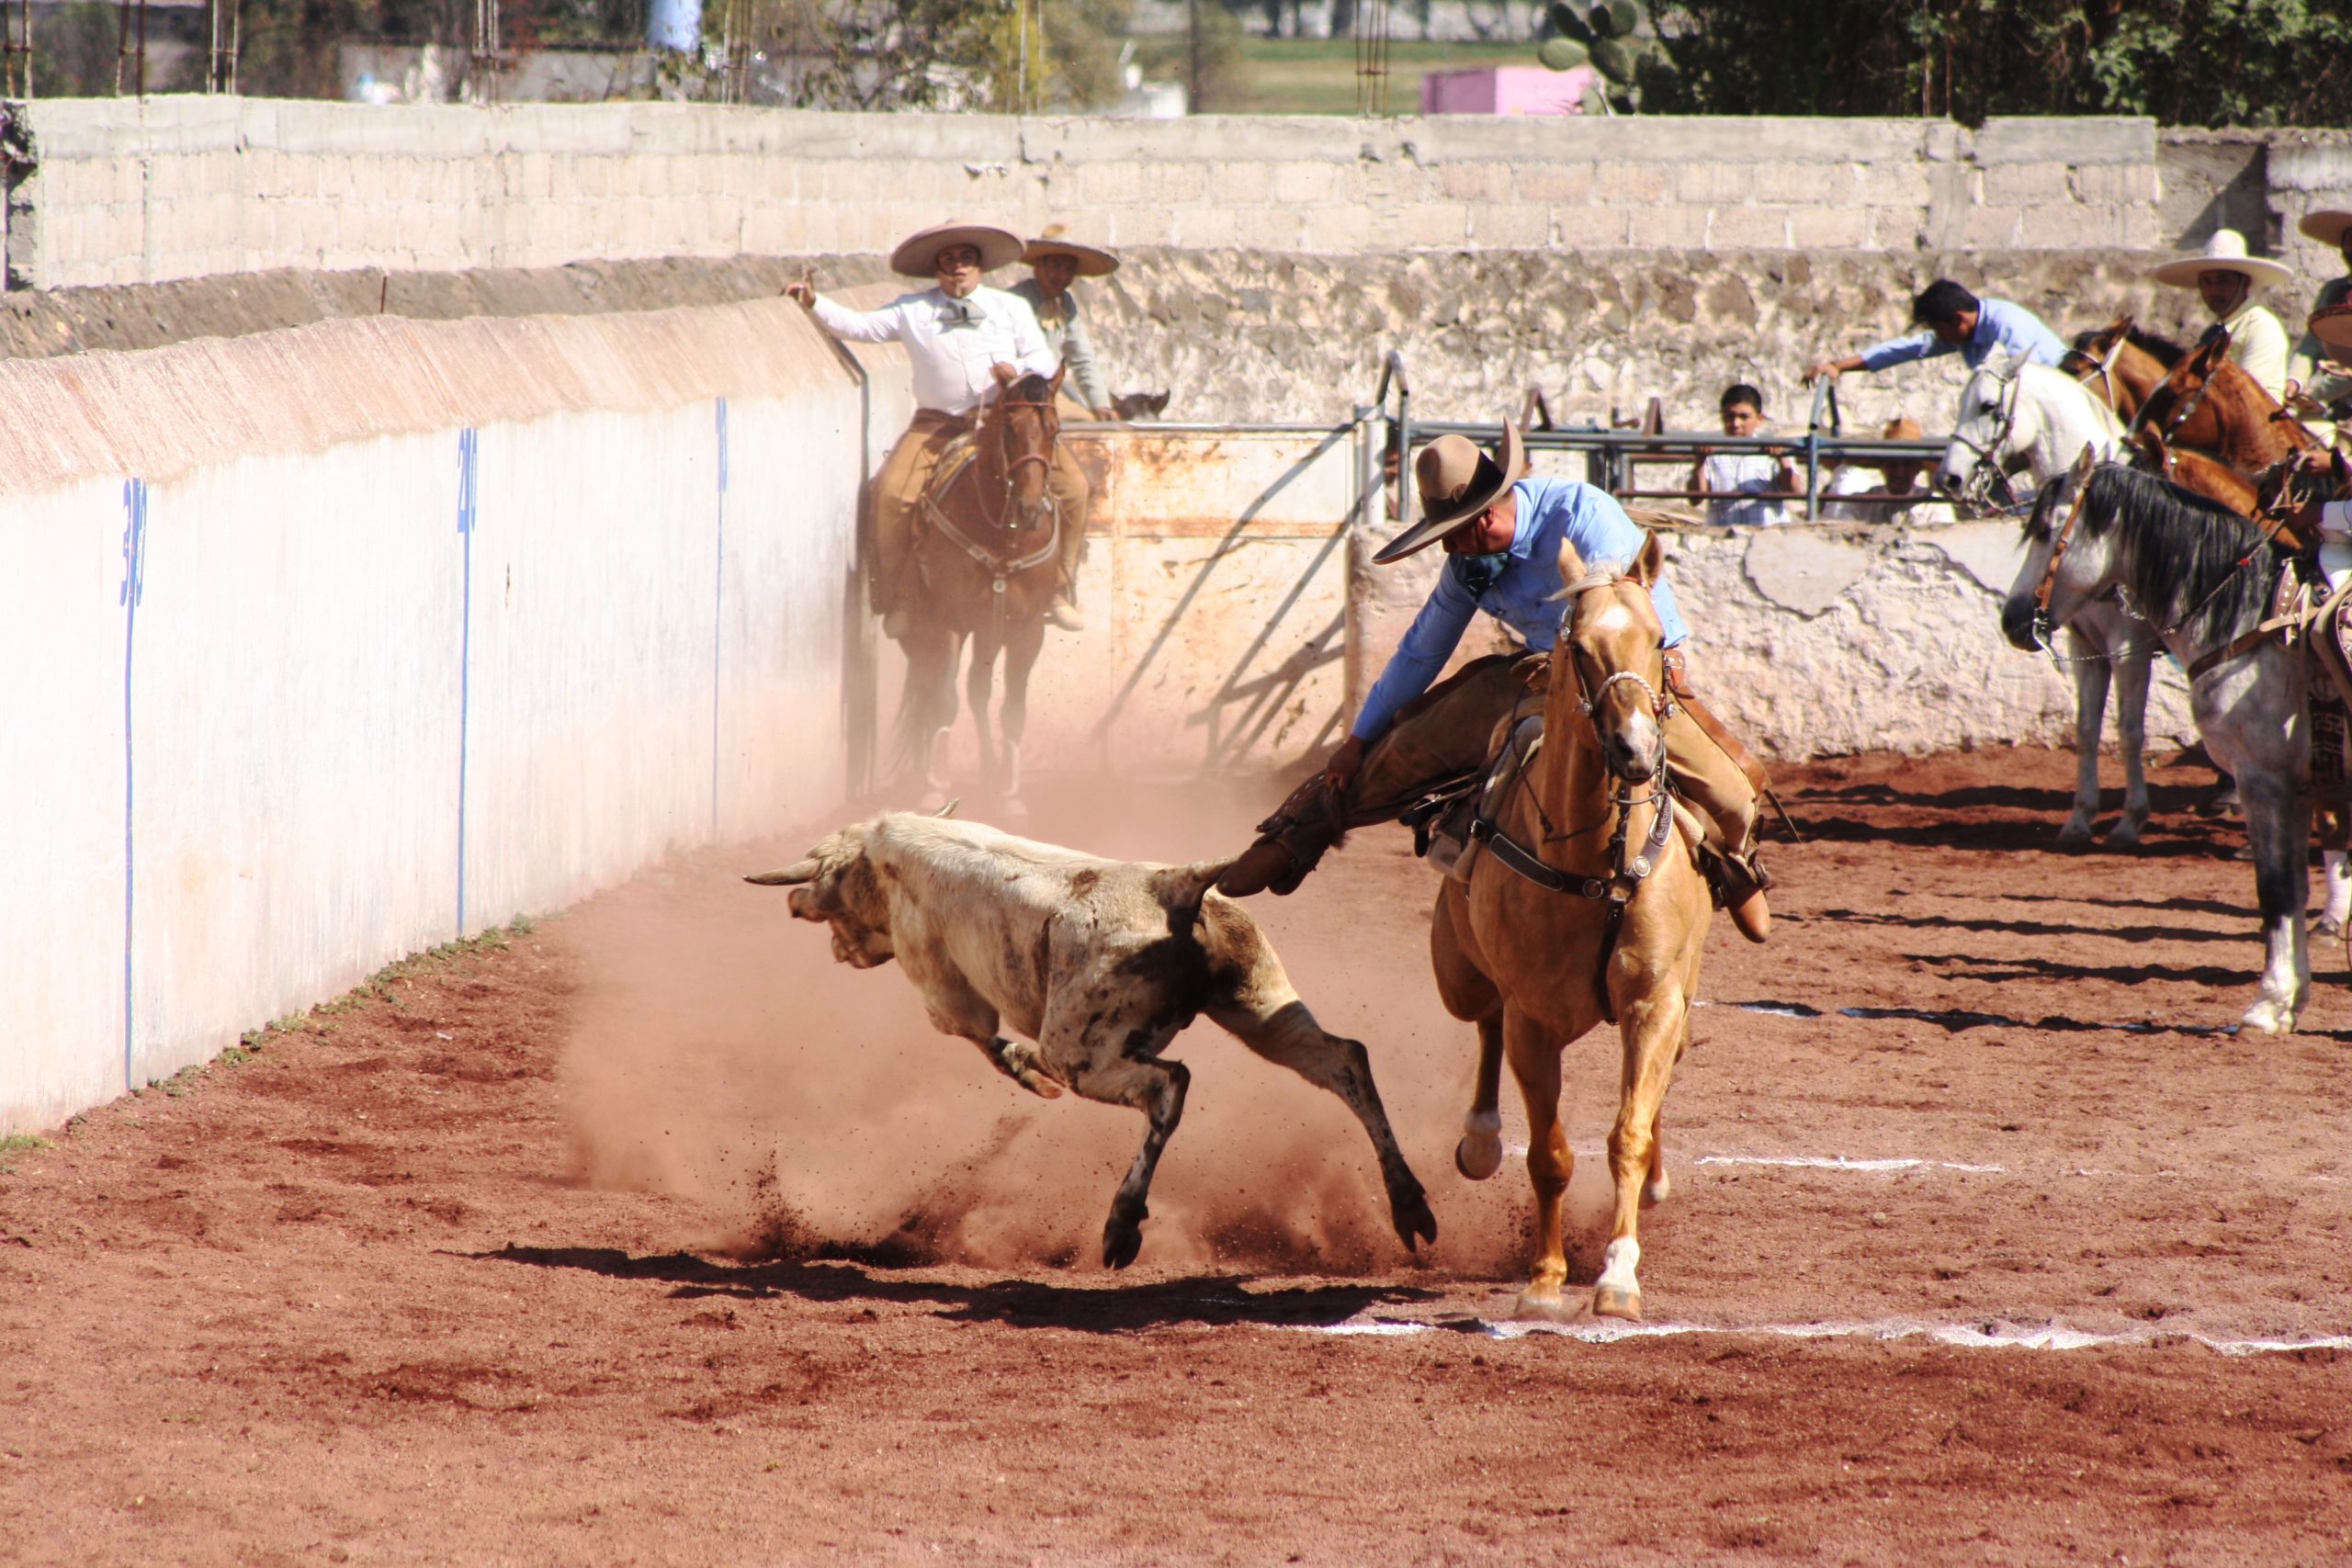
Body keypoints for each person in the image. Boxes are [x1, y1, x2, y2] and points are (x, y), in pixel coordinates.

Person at [1216, 420, 1774, 942]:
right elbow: (1420, 652)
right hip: (1542, 674)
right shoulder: (1469, 566)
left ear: (1480, 520)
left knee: (1731, 784)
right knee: (1410, 743)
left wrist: (1608, 665)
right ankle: (1298, 834)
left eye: (1448, 534)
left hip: (1624, 675)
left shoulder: (1581, 512)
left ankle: (1733, 862)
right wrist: (1357, 741)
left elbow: (1612, 606)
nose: (1444, 548)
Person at [786, 220, 1092, 637]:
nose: (958, 268)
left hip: (1006, 426)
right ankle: (900, 598)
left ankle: (1060, 587)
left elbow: (1040, 358)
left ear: (979, 266)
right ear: (937, 269)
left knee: (1075, 489)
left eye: (966, 259)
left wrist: (1014, 370)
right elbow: (859, 327)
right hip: (938, 426)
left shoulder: (1010, 307)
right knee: (892, 495)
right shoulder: (912, 310)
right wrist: (813, 302)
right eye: (948, 261)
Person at [1804, 279, 2066, 386]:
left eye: (1937, 329)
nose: (1937, 337)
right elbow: (1909, 348)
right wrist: (1838, 366)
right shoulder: (1965, 331)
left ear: (1957, 320)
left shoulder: (2007, 326)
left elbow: (2027, 386)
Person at [2149, 228, 2291, 402]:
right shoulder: (2212, 334)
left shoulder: (2261, 327)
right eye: (2207, 282)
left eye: (2224, 281)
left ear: (2244, 282)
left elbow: (2245, 398)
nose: (2214, 290)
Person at [1010, 230, 1119, 423]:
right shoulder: (1015, 300)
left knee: (1092, 426)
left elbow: (1082, 357)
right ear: (1038, 266)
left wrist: (1100, 404)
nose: (1062, 276)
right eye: (1056, 266)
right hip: (1014, 391)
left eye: (1069, 270)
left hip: (1047, 390)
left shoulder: (1065, 303)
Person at [1690, 383, 1795, 525]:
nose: (1735, 423)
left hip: (1766, 540)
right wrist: (1700, 462)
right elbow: (1695, 499)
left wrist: (1781, 459)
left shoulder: (1772, 449)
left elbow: (1795, 492)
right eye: (1729, 416)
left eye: (1744, 417)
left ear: (1759, 419)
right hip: (1723, 541)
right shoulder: (1712, 452)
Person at [2287, 209, 2352, 439]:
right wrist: (2294, 381)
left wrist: (2315, 393)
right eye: (2349, 242)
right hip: (2323, 406)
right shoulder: (2334, 290)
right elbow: (2311, 343)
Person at [1818, 417, 1953, 524]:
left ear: (1918, 468)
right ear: (1882, 467)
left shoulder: (1935, 506)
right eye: (1892, 465)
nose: (1900, 473)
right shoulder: (1860, 503)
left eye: (1907, 465)